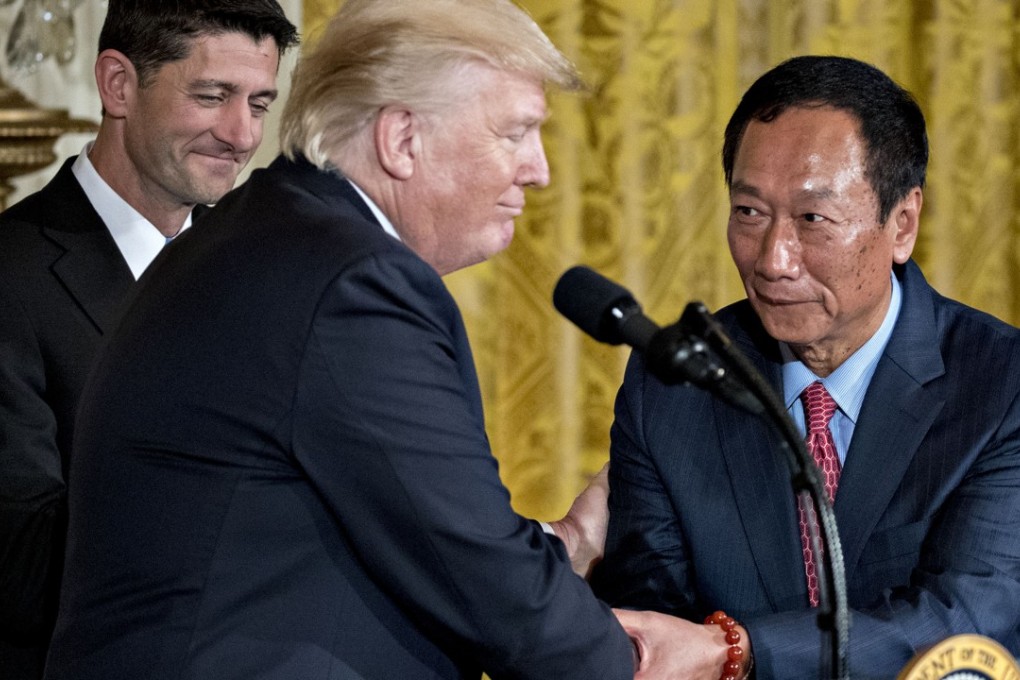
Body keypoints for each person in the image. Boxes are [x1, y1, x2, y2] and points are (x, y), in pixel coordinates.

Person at [42, 1, 738, 678]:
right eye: (515, 133)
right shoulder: (353, 284)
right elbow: (498, 596)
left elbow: (400, 532)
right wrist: (683, 657)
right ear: (401, 139)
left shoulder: (265, 238)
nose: (539, 168)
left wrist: (572, 542)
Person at [590, 54, 1020, 678]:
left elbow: (966, 618)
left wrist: (738, 651)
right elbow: (651, 623)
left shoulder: (1001, 384)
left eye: (813, 219)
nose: (773, 260)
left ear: (902, 224)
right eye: (749, 213)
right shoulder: (676, 380)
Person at [0, 2, 299, 677]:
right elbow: (21, 569)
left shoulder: (268, 273)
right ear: (118, 85)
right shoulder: (11, 278)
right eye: (212, 96)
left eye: (259, 102)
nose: (241, 133)